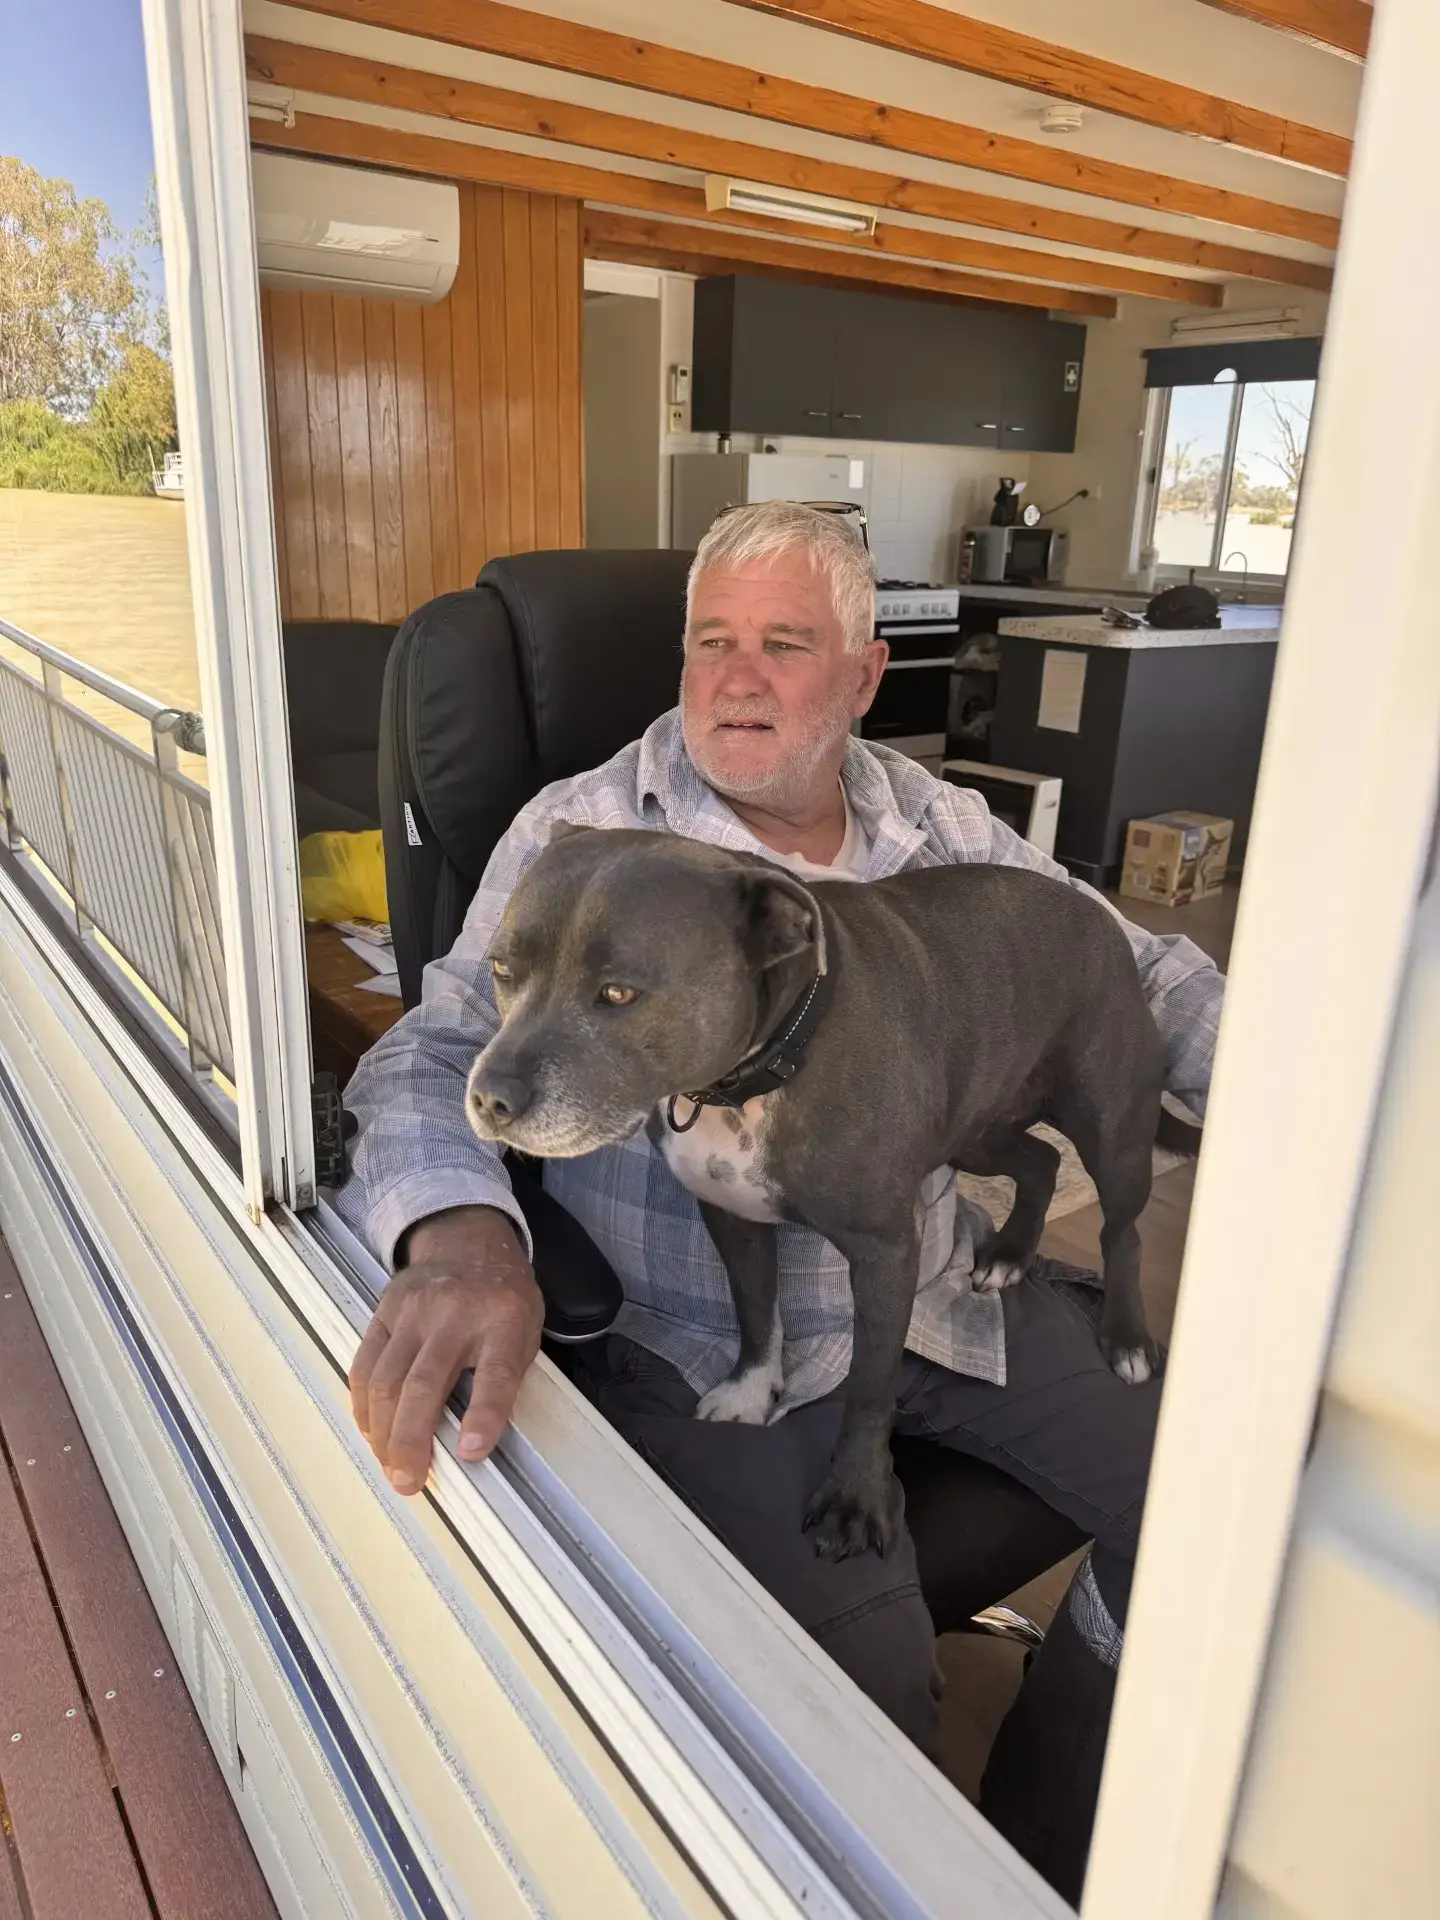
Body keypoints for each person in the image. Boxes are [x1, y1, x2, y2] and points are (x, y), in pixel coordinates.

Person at [337, 501, 1223, 1901]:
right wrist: (458, 1228)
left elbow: (1148, 981)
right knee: (865, 1749)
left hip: (925, 1283)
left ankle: (1061, 1840)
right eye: (712, 642)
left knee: (1223, 1513)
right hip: (719, 1347)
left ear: (866, 677)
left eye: (785, 645)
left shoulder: (937, 830)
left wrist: (1349, 1109)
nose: (736, 678)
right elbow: (438, 1050)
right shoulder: (583, 830)